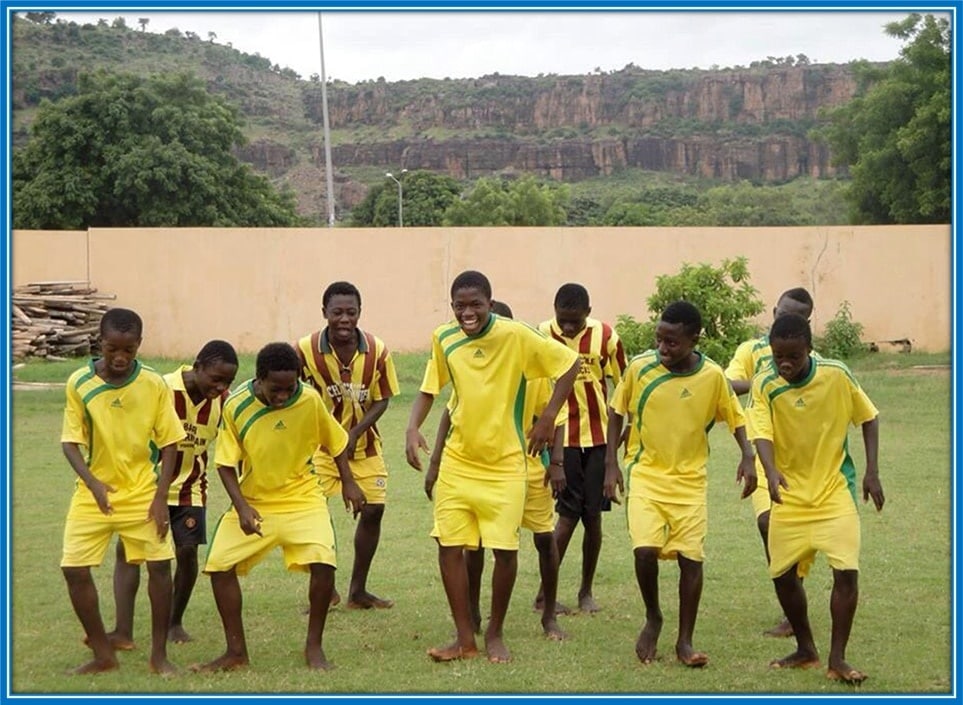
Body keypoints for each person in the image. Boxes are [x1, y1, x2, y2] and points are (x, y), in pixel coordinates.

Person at [406, 271, 579, 663]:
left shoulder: (515, 335)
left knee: (504, 550)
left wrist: (549, 416)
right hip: (458, 462)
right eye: (459, 306)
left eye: (475, 305)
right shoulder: (444, 338)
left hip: (504, 465)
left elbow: (569, 364)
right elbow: (430, 389)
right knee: (449, 545)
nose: (467, 312)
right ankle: (465, 638)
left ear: (489, 302)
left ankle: (496, 633)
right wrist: (413, 426)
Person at [194, 342, 365, 672]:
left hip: (303, 497)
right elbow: (226, 464)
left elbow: (336, 441)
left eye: (290, 388)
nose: (284, 396)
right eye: (276, 389)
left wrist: (349, 481)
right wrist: (241, 508)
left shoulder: (309, 399)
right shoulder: (236, 406)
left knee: (324, 561)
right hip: (255, 501)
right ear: (259, 378)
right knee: (219, 566)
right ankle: (236, 653)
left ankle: (314, 648)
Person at [603, 300, 756, 667]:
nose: (663, 349)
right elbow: (616, 411)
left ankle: (685, 641)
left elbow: (735, 419)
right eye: (659, 340)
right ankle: (653, 616)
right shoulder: (640, 368)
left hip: (690, 480)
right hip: (646, 474)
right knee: (644, 551)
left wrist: (748, 456)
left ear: (693, 339)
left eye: (672, 342)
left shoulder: (713, 376)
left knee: (691, 559)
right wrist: (610, 465)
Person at [747, 313, 883, 685]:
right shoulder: (765, 383)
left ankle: (838, 658)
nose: (785, 364)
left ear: (809, 348)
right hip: (789, 494)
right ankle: (806, 648)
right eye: (778, 356)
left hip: (833, 490)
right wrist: (770, 471)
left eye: (793, 355)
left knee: (846, 572)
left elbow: (868, 417)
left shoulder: (836, 374)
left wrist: (872, 472)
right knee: (782, 575)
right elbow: (759, 431)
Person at [60, 307, 185, 675]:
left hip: (143, 494)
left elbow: (171, 443)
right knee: (74, 570)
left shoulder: (153, 384)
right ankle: (103, 654)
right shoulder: (79, 383)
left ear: (139, 346)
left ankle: (159, 656)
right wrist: (94, 483)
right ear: (101, 342)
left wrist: (162, 497)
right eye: (113, 348)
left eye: (128, 350)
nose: (119, 357)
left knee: (161, 568)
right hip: (92, 495)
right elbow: (70, 442)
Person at [104, 340, 239, 648]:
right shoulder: (160, 388)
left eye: (227, 382)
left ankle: (173, 622)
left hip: (191, 488)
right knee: (134, 553)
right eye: (215, 379)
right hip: (147, 488)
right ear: (197, 366)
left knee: (188, 552)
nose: (220, 387)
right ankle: (122, 630)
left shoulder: (223, 402)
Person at [295, 281, 400, 610]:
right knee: (312, 517)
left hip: (365, 447)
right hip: (320, 450)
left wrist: (355, 432)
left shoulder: (378, 350)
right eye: (337, 312)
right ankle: (325, 589)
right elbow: (290, 393)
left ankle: (357, 591)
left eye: (350, 312)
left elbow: (383, 400)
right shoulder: (304, 350)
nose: (344, 319)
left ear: (359, 313)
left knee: (374, 510)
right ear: (324, 312)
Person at [725, 287, 814, 638]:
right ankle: (791, 607)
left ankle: (795, 603)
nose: (789, 320)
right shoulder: (752, 350)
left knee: (800, 530)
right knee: (768, 523)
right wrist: (769, 377)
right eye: (784, 314)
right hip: (764, 451)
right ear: (775, 310)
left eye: (799, 318)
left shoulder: (809, 355)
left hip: (803, 456)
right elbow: (730, 384)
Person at [535, 283, 627, 614]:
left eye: (575, 321)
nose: (568, 327)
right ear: (554, 312)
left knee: (593, 517)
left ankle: (585, 592)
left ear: (588, 312)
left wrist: (627, 427)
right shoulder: (543, 334)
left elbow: (624, 383)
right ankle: (545, 595)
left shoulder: (605, 335)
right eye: (563, 321)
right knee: (567, 516)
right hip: (563, 441)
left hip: (601, 439)